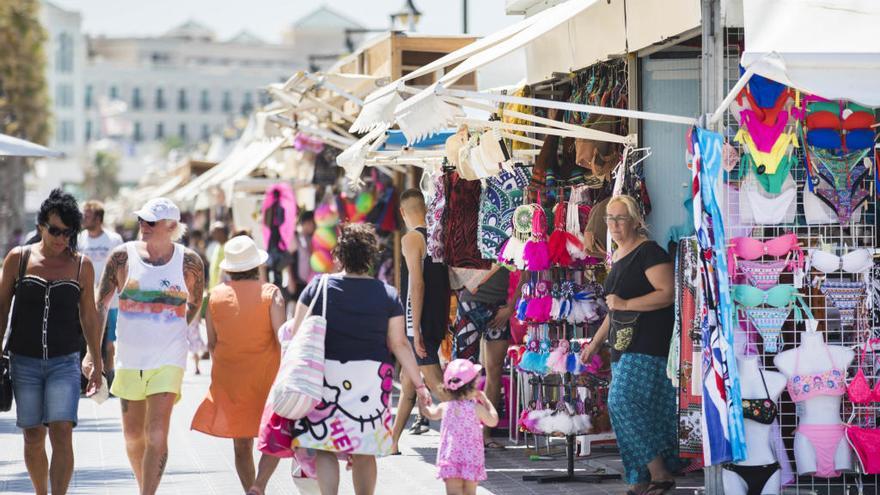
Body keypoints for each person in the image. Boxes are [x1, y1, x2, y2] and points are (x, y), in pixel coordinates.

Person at [247, 223, 431, 495]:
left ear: (339, 255)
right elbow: (400, 344)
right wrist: (419, 384)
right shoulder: (387, 294)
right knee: (365, 450)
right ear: (370, 257)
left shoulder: (318, 287)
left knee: (325, 445)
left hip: (326, 377)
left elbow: (297, 335)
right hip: (371, 381)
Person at [91, 197, 205, 495]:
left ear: (171, 226)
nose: (143, 225)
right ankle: (145, 486)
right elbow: (100, 306)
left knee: (156, 433)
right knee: (132, 438)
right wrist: (94, 354)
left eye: (150, 221)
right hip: (129, 360)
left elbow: (195, 301)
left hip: (170, 358)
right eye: (141, 219)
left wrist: (178, 328)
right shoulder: (122, 257)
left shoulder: (190, 261)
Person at [0, 189, 104, 495]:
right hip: (24, 360)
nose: (61, 239)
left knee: (62, 433)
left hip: (64, 361)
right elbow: (2, 308)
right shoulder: (18, 259)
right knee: (33, 435)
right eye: (55, 230)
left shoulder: (81, 265)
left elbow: (89, 316)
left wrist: (96, 363)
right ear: (41, 225)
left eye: (68, 233)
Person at [579, 194, 682, 495]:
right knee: (637, 410)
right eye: (609, 218)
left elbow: (667, 293)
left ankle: (660, 473)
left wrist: (626, 302)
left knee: (620, 402)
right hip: (623, 346)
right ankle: (639, 478)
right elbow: (615, 310)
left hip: (649, 344)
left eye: (620, 218)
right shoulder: (618, 255)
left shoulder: (649, 252)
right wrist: (596, 343)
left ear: (636, 221)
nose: (613, 224)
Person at [191, 235, 285, 490]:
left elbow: (211, 343)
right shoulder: (271, 293)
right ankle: (260, 485)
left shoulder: (214, 296)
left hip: (230, 380)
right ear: (257, 265)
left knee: (241, 444)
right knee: (276, 436)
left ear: (228, 268)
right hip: (267, 379)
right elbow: (283, 337)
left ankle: (251, 490)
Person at [390, 189, 450, 453]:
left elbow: (417, 283)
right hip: (435, 317)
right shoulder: (438, 238)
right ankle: (391, 443)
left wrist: (414, 329)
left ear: (403, 212)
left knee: (437, 384)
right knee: (407, 383)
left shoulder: (411, 238)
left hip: (421, 322)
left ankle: (470, 429)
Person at [451, 265, 522, 449]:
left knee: (495, 370)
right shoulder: (470, 237)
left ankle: (484, 434)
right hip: (469, 304)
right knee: (463, 372)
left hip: (499, 307)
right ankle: (463, 435)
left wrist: (510, 308)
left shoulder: (511, 237)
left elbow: (528, 270)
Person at [419, 359, 498, 495]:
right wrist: (486, 401)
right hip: (471, 458)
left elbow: (430, 413)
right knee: (469, 492)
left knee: (453, 492)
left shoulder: (445, 407)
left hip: (451, 458)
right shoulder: (476, 408)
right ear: (472, 386)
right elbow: (493, 421)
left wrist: (421, 401)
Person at [79, 200, 124, 388]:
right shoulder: (80, 239)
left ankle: (110, 379)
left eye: (87, 216)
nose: (84, 219)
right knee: (88, 341)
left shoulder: (114, 240)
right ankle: (87, 379)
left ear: (98, 218)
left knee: (109, 344)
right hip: (85, 301)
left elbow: (122, 268)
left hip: (111, 302)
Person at [290, 210, 316, 301]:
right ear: (307, 222)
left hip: (307, 283)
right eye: (313, 223)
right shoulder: (295, 237)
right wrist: (291, 279)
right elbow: (289, 260)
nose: (314, 226)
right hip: (296, 283)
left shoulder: (311, 238)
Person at [206, 221, 229, 291]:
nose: (212, 234)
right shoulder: (217, 246)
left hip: (222, 290)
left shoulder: (229, 247)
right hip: (214, 289)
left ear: (222, 232)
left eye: (214, 231)